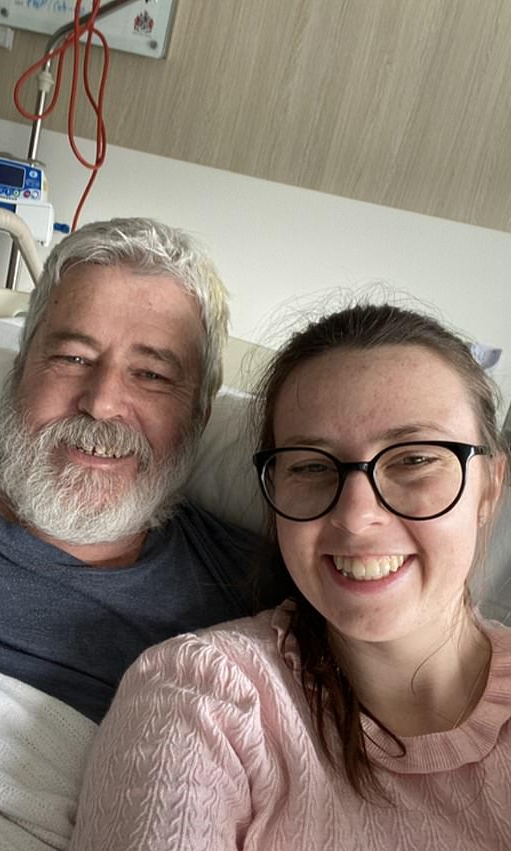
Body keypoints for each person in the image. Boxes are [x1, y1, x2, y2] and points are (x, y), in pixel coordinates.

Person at [70, 302, 511, 851]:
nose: (355, 516)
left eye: (415, 459)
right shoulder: (205, 697)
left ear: (491, 486)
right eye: (309, 465)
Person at [0, 217, 273, 724]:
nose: (102, 402)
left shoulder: (255, 605)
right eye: (73, 357)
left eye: (152, 374)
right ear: (20, 372)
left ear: (199, 415)